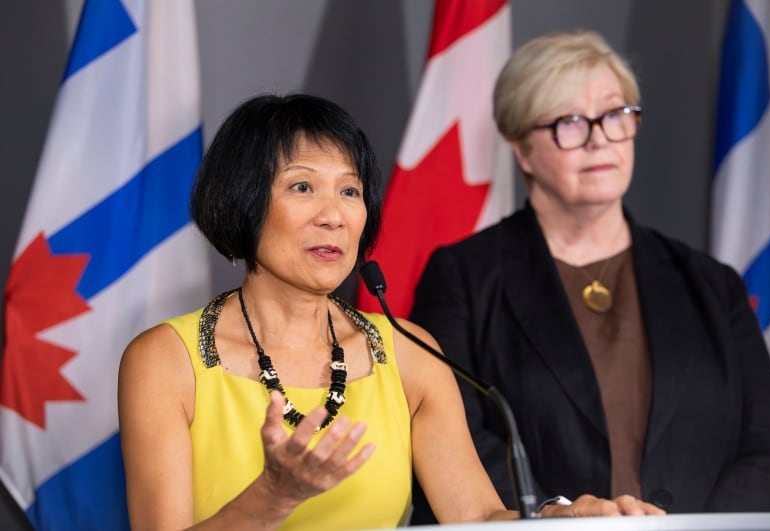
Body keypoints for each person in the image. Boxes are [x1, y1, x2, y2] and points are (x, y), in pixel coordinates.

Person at [118, 93, 662, 530]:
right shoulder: (167, 361)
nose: (334, 216)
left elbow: (474, 518)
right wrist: (274, 497)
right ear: (241, 201)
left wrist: (560, 518)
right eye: (302, 187)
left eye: (350, 191)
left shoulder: (409, 353)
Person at [410, 29, 770, 520]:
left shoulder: (712, 284)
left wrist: (700, 530)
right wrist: (555, 520)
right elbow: (453, 435)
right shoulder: (463, 278)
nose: (600, 139)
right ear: (521, 148)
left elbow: (768, 443)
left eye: (615, 114)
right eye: (570, 122)